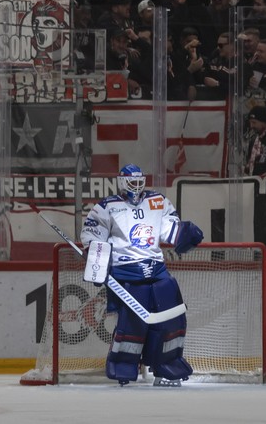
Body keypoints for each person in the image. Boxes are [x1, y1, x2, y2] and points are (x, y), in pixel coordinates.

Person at [80, 164, 204, 387]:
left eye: (139, 181)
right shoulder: (107, 206)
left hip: (157, 269)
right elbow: (91, 232)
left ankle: (168, 364)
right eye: (131, 181)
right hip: (127, 273)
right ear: (121, 182)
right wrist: (95, 254)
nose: (136, 186)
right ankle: (123, 365)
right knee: (132, 324)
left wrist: (184, 233)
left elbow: (170, 228)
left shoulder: (157, 201)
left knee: (172, 319)